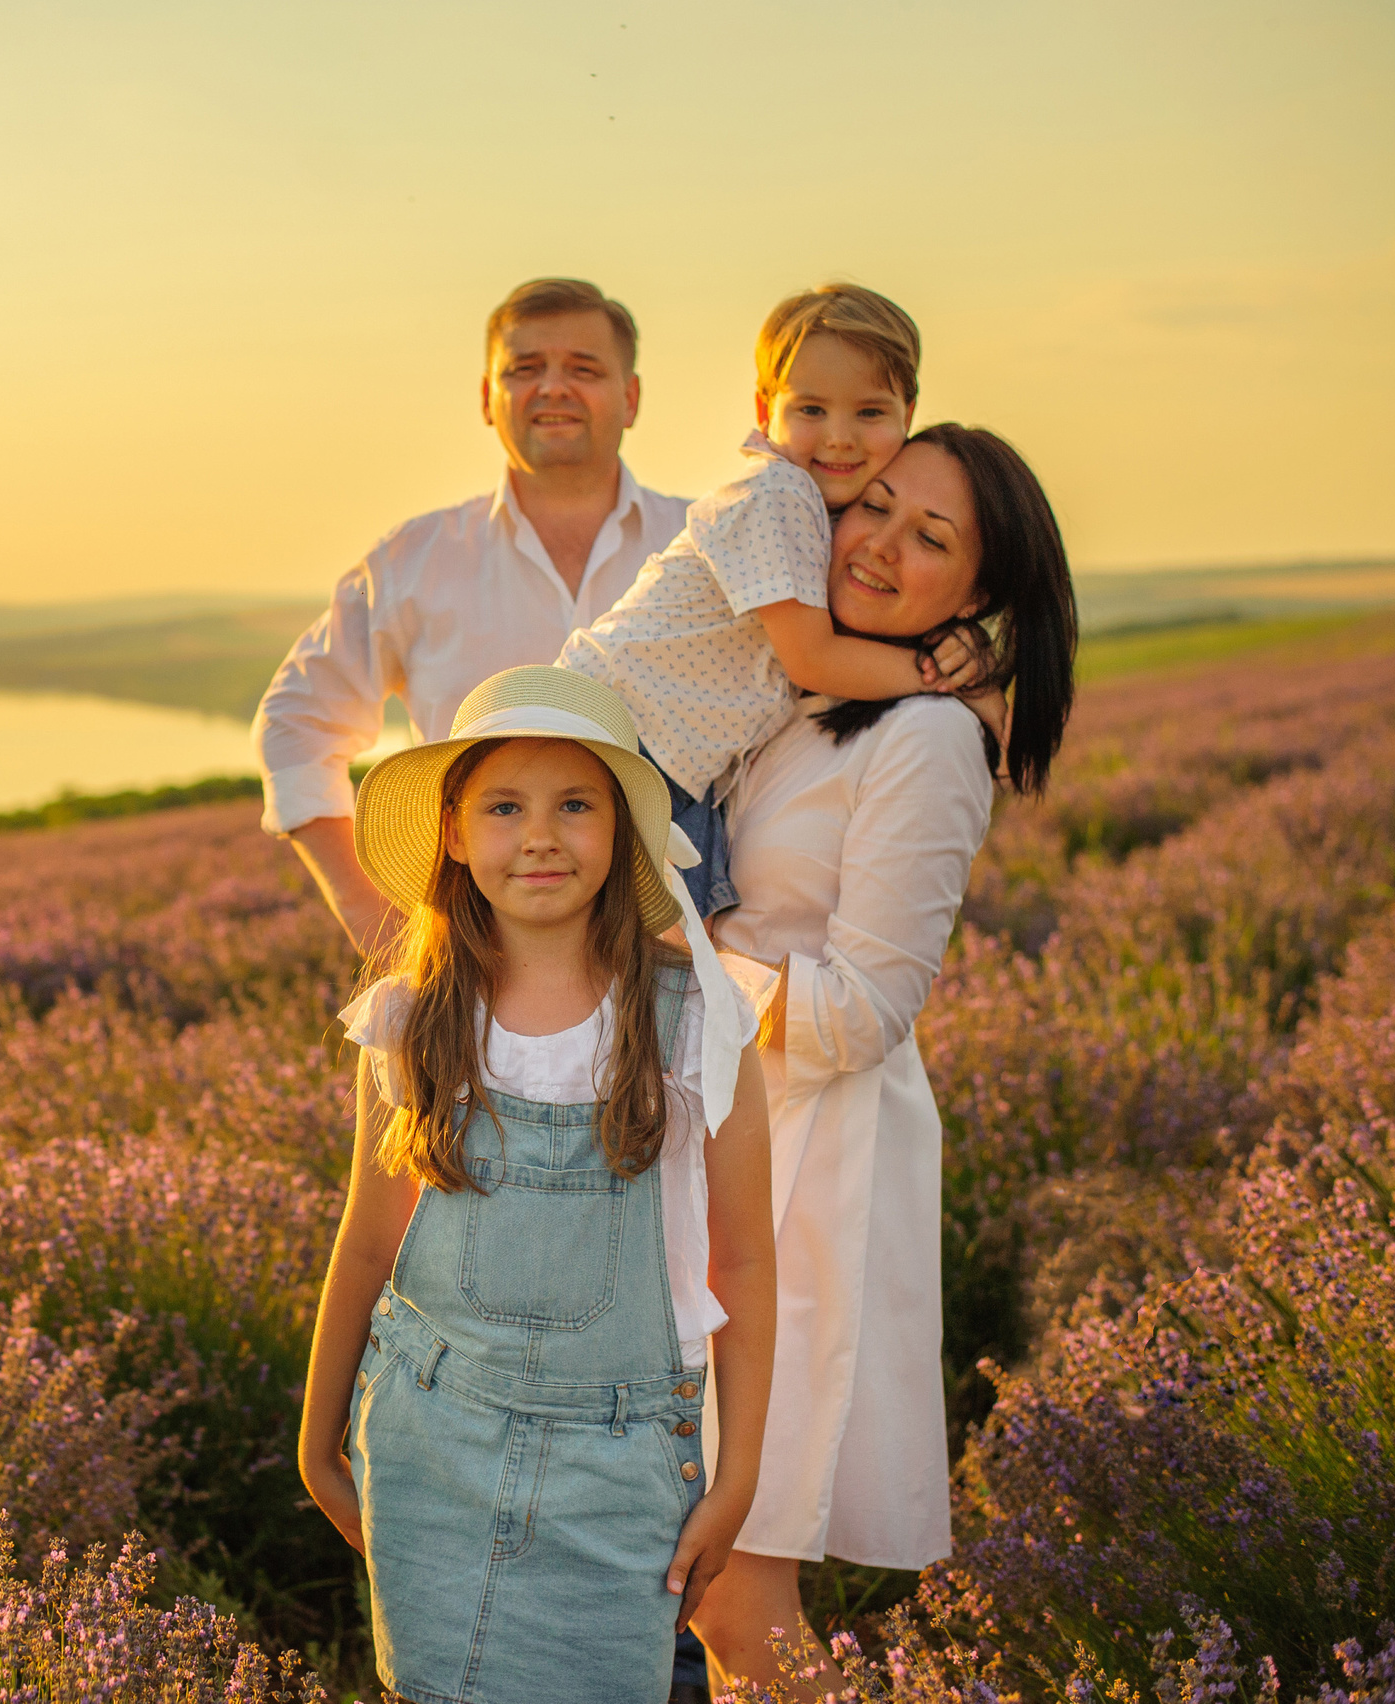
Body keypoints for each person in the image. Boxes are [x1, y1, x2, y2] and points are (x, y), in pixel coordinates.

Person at [295, 665, 778, 1703]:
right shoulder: (412, 1014)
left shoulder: (694, 1018)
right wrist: (316, 1438)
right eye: (504, 807)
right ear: (456, 834)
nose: (542, 836)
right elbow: (370, 1237)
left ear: (619, 833)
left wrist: (738, 1480)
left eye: (575, 805)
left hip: (618, 1457)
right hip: (428, 1430)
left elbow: (741, 1255)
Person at [685, 425, 1077, 1695]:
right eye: (878, 506)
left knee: (738, 1599)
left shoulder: (928, 739)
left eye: (932, 539)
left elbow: (859, 1012)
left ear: (978, 594)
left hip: (810, 1175)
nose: (881, 545)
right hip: (728, 1149)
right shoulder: (822, 698)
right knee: (707, 1590)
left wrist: (669, 961)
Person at [254, 278, 692, 955]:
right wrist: (376, 924)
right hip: (477, 970)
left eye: (584, 368)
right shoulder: (412, 562)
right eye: (524, 369)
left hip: (680, 962)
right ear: (488, 399)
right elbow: (296, 723)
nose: (552, 388)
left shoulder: (705, 547)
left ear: (630, 398)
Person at [558, 285, 997, 919]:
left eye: (869, 413)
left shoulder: (830, 510)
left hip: (673, 765)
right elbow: (813, 659)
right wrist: (948, 680)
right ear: (767, 409)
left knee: (650, 960)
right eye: (812, 410)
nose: (839, 438)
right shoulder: (778, 493)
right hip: (621, 736)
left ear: (909, 411)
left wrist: (949, 645)